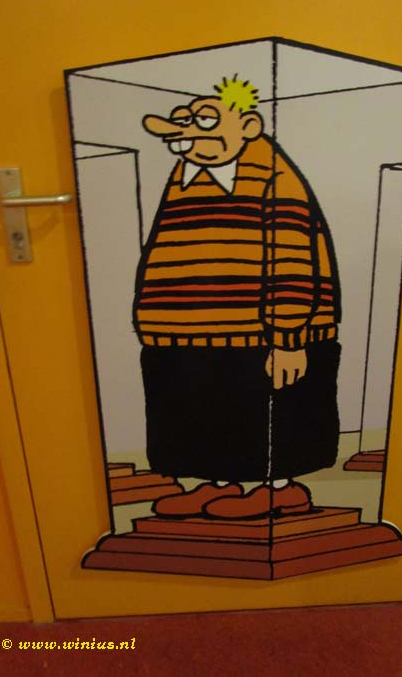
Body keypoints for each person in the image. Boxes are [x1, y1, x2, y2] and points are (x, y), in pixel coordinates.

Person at [134, 75, 341, 520]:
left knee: (263, 412)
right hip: (185, 332)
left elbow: (292, 253)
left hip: (256, 331)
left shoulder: (274, 177)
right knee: (203, 410)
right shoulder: (187, 176)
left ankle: (279, 488)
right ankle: (217, 482)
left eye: (204, 125)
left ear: (248, 127)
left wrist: (288, 336)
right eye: (184, 131)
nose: (190, 140)